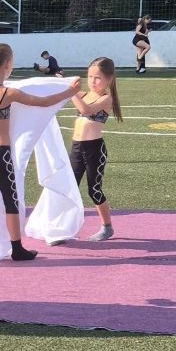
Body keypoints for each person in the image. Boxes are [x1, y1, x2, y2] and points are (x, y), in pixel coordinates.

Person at [0, 44, 81, 261]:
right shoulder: (7, 93)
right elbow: (44, 102)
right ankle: (16, 248)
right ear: (7, 65)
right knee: (10, 201)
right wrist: (70, 91)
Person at [70, 57, 123, 241]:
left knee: (94, 190)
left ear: (109, 79)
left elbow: (85, 110)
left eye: (98, 78)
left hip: (94, 150)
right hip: (76, 148)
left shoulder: (106, 99)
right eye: (90, 76)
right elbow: (62, 94)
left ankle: (107, 227)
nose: (93, 81)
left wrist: (71, 93)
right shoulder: (84, 94)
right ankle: (62, 227)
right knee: (69, 187)